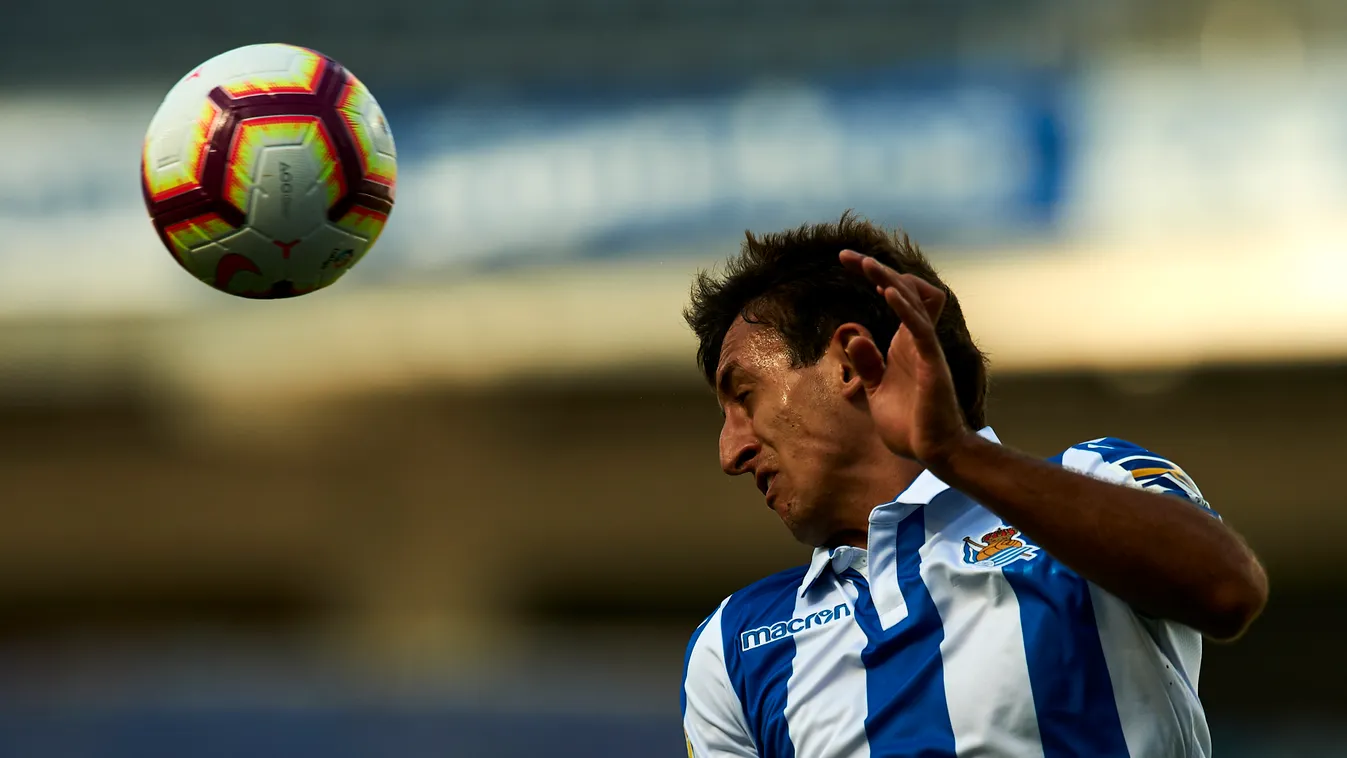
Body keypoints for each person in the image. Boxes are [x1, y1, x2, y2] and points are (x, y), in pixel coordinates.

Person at [678, 213, 1267, 757]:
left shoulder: (1095, 477)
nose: (731, 451)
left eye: (744, 398)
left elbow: (1225, 588)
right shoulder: (732, 647)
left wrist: (953, 451)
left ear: (850, 365)